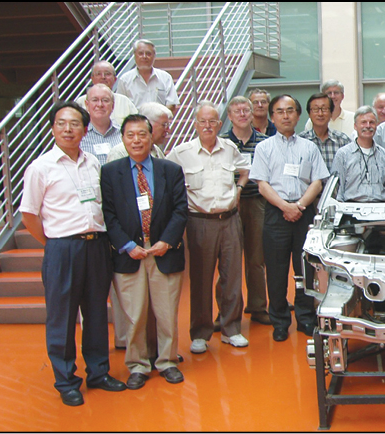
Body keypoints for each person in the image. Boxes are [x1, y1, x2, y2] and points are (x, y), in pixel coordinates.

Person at [20, 102, 126, 406]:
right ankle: (66, 380)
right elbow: (29, 214)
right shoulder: (40, 167)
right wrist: (53, 242)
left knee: (95, 313)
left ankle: (98, 372)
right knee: (62, 317)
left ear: (84, 129)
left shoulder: (93, 162)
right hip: (62, 247)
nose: (68, 129)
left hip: (96, 245)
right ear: (53, 128)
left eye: (74, 124)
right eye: (61, 123)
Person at [101, 113, 188, 390]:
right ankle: (138, 365)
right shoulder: (110, 172)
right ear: (123, 139)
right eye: (130, 135)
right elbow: (109, 215)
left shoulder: (170, 170)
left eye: (142, 134)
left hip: (164, 249)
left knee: (166, 312)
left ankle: (167, 361)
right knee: (134, 315)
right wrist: (126, 245)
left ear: (152, 137)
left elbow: (180, 209)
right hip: (129, 252)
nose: (137, 140)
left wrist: (166, 241)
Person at [166, 102, 250, 353]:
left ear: (219, 124)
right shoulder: (181, 152)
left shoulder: (229, 148)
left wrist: (239, 190)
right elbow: (167, 179)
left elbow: (245, 170)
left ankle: (231, 329)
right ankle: (200, 333)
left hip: (230, 220)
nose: (208, 126)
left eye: (212, 121)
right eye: (202, 121)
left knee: (232, 277)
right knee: (201, 279)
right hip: (199, 222)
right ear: (195, 124)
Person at [249, 95, 329, 341]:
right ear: (273, 116)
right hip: (275, 213)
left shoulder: (309, 147)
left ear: (297, 115)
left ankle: (305, 317)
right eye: (280, 111)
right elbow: (262, 184)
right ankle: (280, 320)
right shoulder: (263, 148)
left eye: (290, 111)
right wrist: (285, 206)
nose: (285, 116)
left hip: (304, 213)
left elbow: (317, 181)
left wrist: (299, 206)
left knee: (305, 269)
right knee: (276, 269)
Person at [219, 96, 271, 326]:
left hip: (257, 203)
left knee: (256, 258)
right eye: (237, 111)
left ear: (252, 114)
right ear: (229, 116)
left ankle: (258, 306)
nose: (242, 114)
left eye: (246, 110)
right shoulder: (221, 143)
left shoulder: (264, 142)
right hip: (228, 205)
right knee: (227, 261)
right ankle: (227, 313)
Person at [332, 106, 385, 203]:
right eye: (363, 122)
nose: (368, 126)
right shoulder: (343, 154)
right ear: (355, 126)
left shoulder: (384, 155)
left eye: (372, 122)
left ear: (376, 125)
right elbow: (337, 192)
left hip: (380, 210)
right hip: (351, 210)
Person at [116, 40, 178, 113]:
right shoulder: (125, 80)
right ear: (135, 55)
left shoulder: (165, 78)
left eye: (148, 53)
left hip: (158, 122)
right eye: (141, 53)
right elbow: (120, 105)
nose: (144, 56)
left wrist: (157, 117)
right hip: (134, 122)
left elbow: (171, 103)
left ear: (154, 56)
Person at [299, 92, 352, 172]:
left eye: (324, 109)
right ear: (309, 114)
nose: (320, 114)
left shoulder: (343, 140)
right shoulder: (300, 141)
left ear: (331, 113)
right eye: (316, 109)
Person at [74, 61, 138, 126]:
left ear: (115, 79)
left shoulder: (124, 101)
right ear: (92, 79)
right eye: (98, 74)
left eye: (107, 74)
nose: (103, 77)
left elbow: (136, 124)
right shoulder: (81, 101)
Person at [80, 84, 121, 166]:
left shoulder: (123, 133)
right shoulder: (79, 135)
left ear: (112, 106)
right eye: (95, 100)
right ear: (87, 105)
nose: (100, 105)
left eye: (105, 100)